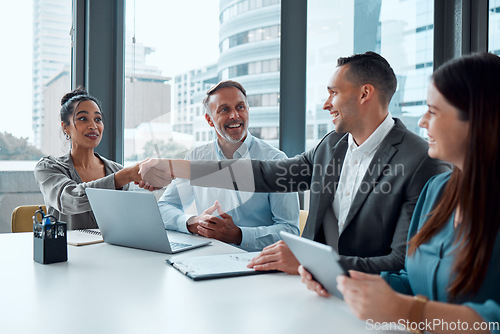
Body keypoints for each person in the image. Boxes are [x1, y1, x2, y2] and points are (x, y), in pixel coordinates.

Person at [139, 52, 449, 274]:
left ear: (365, 93)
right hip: (308, 290)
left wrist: (311, 263)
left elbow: (402, 263)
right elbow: (264, 175)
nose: (326, 104)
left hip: (368, 303)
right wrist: (174, 167)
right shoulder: (331, 146)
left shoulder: (421, 161)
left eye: (334, 93)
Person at [300, 52, 500, 333]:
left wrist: (409, 312)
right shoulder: (438, 191)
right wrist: (339, 280)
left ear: (478, 119)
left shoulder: (419, 164)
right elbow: (408, 277)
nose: (421, 121)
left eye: (434, 111)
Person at [157, 80, 300, 251]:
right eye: (224, 109)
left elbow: (290, 231)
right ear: (209, 120)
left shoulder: (277, 161)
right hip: (208, 258)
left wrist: (238, 235)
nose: (234, 115)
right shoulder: (196, 158)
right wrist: (191, 222)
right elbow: (164, 207)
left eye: (240, 107)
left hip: (256, 263)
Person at [34, 88, 143, 230]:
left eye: (98, 119)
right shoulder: (48, 167)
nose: (93, 126)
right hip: (67, 251)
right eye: (83, 119)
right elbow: (69, 200)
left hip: (109, 251)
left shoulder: (116, 170)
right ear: (65, 127)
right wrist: (122, 177)